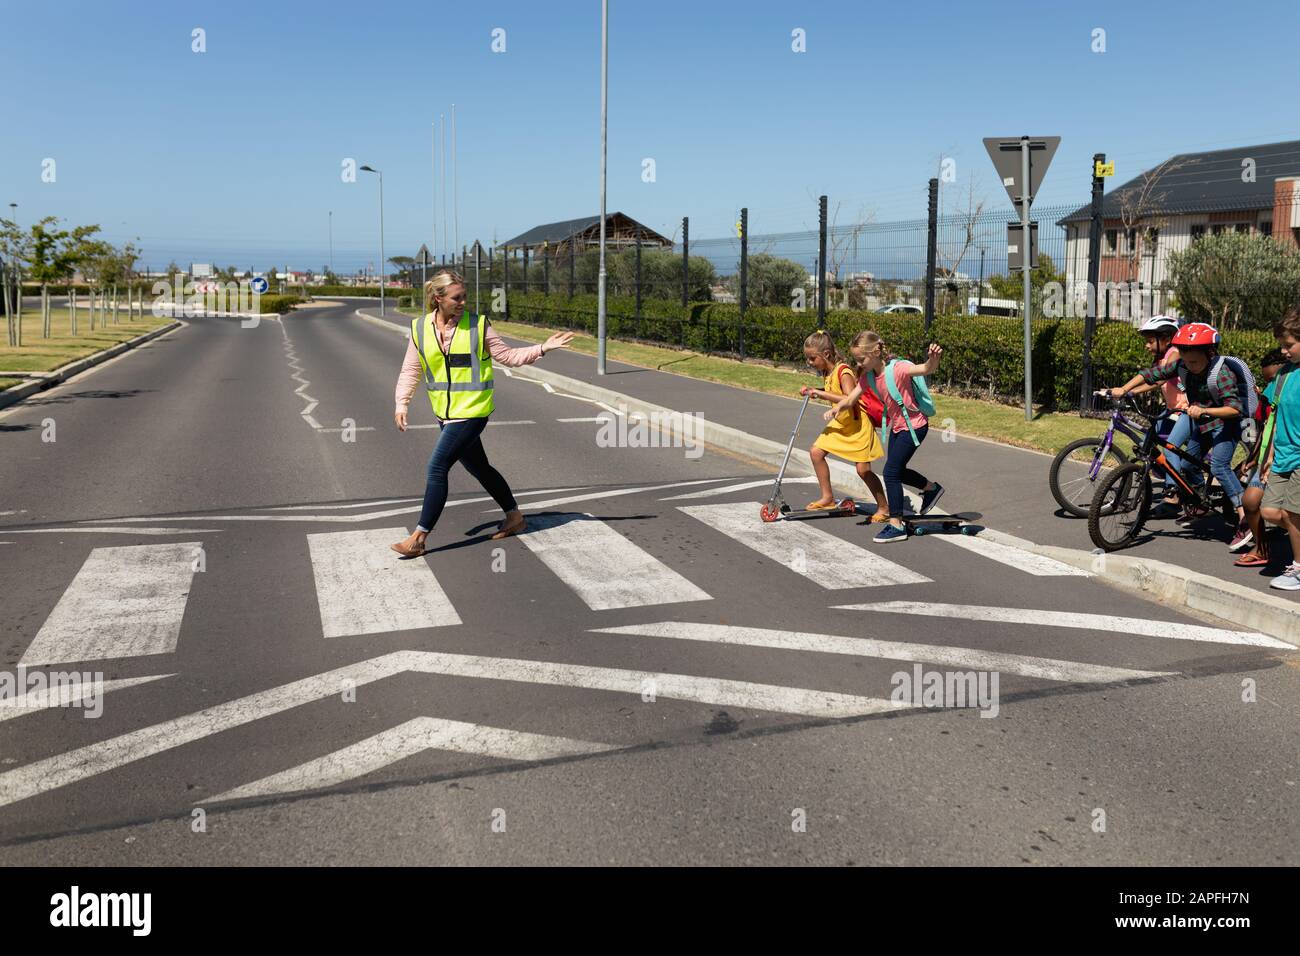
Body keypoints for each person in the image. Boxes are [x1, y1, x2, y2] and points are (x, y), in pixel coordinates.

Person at [390, 270, 574, 558]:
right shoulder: (419, 328)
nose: (463, 302)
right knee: (479, 468)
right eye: (457, 298)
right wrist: (402, 403)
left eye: (465, 296)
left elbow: (509, 357)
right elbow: (411, 368)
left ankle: (418, 537)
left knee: (437, 467)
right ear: (438, 299)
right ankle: (514, 517)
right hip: (445, 414)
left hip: (473, 412)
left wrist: (542, 348)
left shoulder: (478, 325)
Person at [1106, 322, 1250, 532]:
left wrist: (1204, 411)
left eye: (1194, 361)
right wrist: (1124, 388)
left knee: (1219, 466)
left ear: (1209, 353)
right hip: (1202, 424)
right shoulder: (1181, 365)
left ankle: (1246, 518)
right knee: (1187, 465)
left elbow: (1235, 409)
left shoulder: (1221, 373)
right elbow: (1151, 374)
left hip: (1226, 425)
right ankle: (1201, 503)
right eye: (1185, 359)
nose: (1189, 366)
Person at [828, 331, 944, 542]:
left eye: (861, 359)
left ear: (876, 352)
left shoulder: (897, 369)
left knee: (890, 473)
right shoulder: (868, 377)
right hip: (898, 428)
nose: (858, 363)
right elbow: (850, 398)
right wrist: (837, 408)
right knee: (896, 470)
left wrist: (932, 359)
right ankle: (931, 488)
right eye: (856, 359)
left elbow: (925, 369)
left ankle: (896, 524)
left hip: (915, 426)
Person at [797, 329, 888, 516]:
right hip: (841, 423)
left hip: (857, 424)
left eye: (812, 358)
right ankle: (827, 497)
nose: (810, 363)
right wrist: (814, 390)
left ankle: (884, 507)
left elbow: (848, 397)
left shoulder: (843, 371)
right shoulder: (828, 373)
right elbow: (833, 391)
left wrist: (820, 393)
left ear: (826, 354)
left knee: (863, 470)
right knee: (816, 453)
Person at [1230, 349, 1287, 562]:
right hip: (1267, 457)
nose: (1270, 385)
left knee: (1283, 512)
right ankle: (1261, 548)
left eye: (1273, 379)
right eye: (1267, 381)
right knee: (1250, 501)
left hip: (1290, 455)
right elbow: (1265, 429)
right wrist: (1253, 457)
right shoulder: (1269, 395)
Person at [1259, 307, 1300, 590]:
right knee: (1270, 512)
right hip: (1282, 454)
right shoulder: (1283, 375)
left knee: (1292, 514)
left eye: (1289, 345)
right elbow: (1274, 418)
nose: (1284, 351)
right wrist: (1270, 455)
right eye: (1282, 345)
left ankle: (1297, 569)